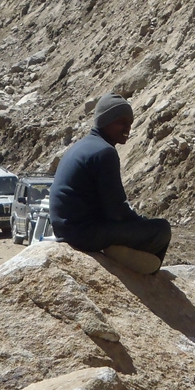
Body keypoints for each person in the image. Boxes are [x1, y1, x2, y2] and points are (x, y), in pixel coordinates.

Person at [49, 92, 171, 274]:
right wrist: (139, 225)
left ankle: (124, 254)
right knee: (161, 229)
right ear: (105, 121)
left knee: (142, 226)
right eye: (121, 122)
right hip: (83, 234)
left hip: (67, 230)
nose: (127, 128)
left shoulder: (83, 145)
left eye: (129, 123)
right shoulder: (104, 152)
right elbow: (116, 211)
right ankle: (144, 274)